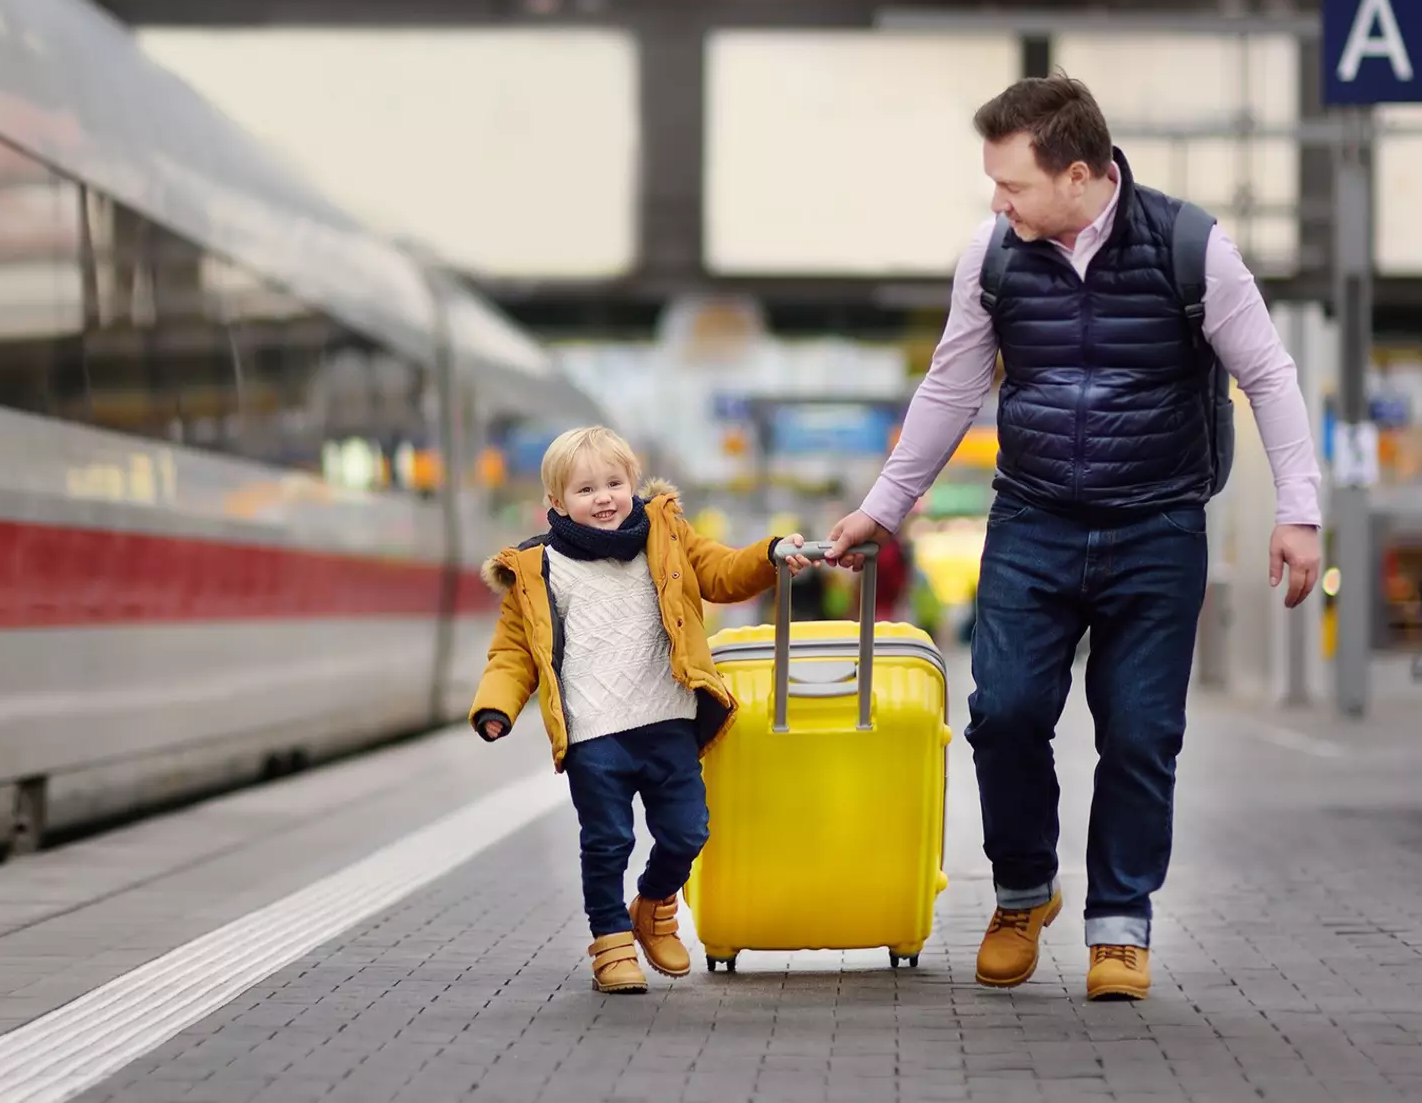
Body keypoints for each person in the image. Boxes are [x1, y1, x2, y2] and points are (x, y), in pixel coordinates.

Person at [816, 75, 1321, 1003]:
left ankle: (1120, 926)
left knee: (1139, 733)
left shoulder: (1192, 247)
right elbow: (951, 387)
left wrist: (1299, 511)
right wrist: (883, 509)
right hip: (1033, 519)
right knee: (1002, 714)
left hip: (1157, 523)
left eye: (1011, 186)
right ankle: (1022, 891)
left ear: (1079, 175)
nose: (997, 203)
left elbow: (1272, 378)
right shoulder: (994, 256)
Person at [470, 425, 808, 994]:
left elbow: (723, 572)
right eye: (585, 490)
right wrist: (496, 707)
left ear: (633, 483)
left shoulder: (666, 535)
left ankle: (652, 907)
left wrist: (769, 554)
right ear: (556, 504)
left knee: (687, 832)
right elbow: (512, 653)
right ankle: (610, 944)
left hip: (667, 720)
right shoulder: (538, 570)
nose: (603, 497)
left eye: (614, 482)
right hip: (593, 736)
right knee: (607, 842)